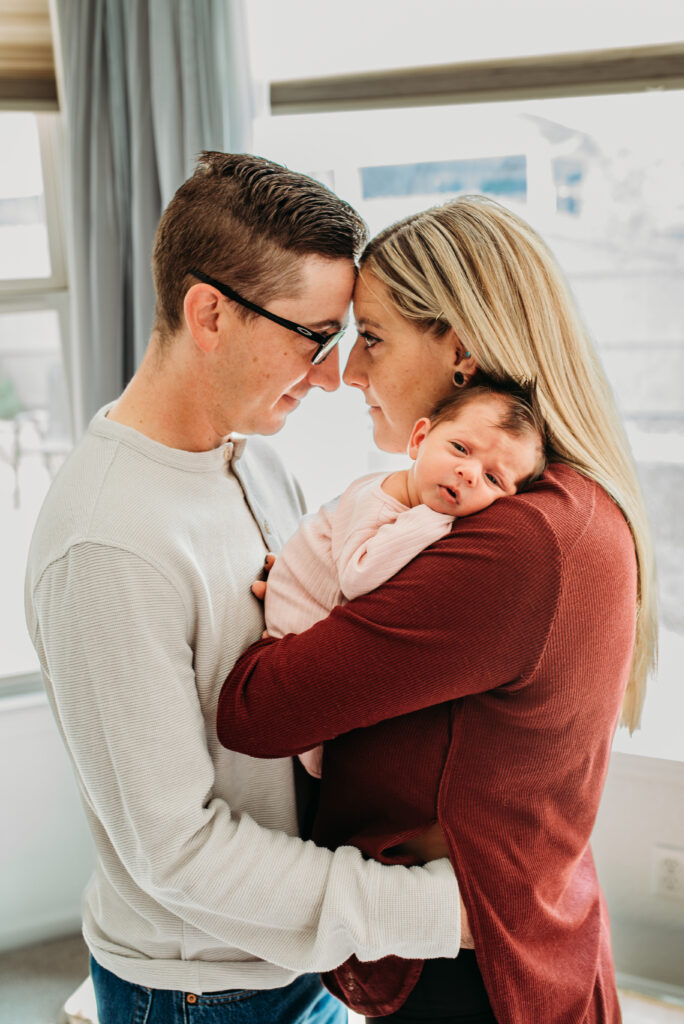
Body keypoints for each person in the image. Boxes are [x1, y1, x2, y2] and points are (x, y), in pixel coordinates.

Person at [24, 153, 467, 1024]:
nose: (335, 372)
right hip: (202, 993)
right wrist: (436, 912)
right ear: (209, 313)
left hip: (297, 962)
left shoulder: (254, 462)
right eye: (314, 335)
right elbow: (176, 852)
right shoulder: (105, 547)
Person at [217, 195, 657, 1023]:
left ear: (459, 350)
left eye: (371, 337)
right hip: (522, 936)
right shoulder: (560, 503)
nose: (349, 371)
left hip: (476, 978)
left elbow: (256, 710)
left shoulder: (523, 545)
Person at [265, 382, 547, 778]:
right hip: (293, 631)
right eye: (460, 449)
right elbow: (358, 577)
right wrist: (434, 520)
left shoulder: (419, 502)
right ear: (419, 439)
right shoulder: (383, 500)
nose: (468, 473)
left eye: (493, 480)